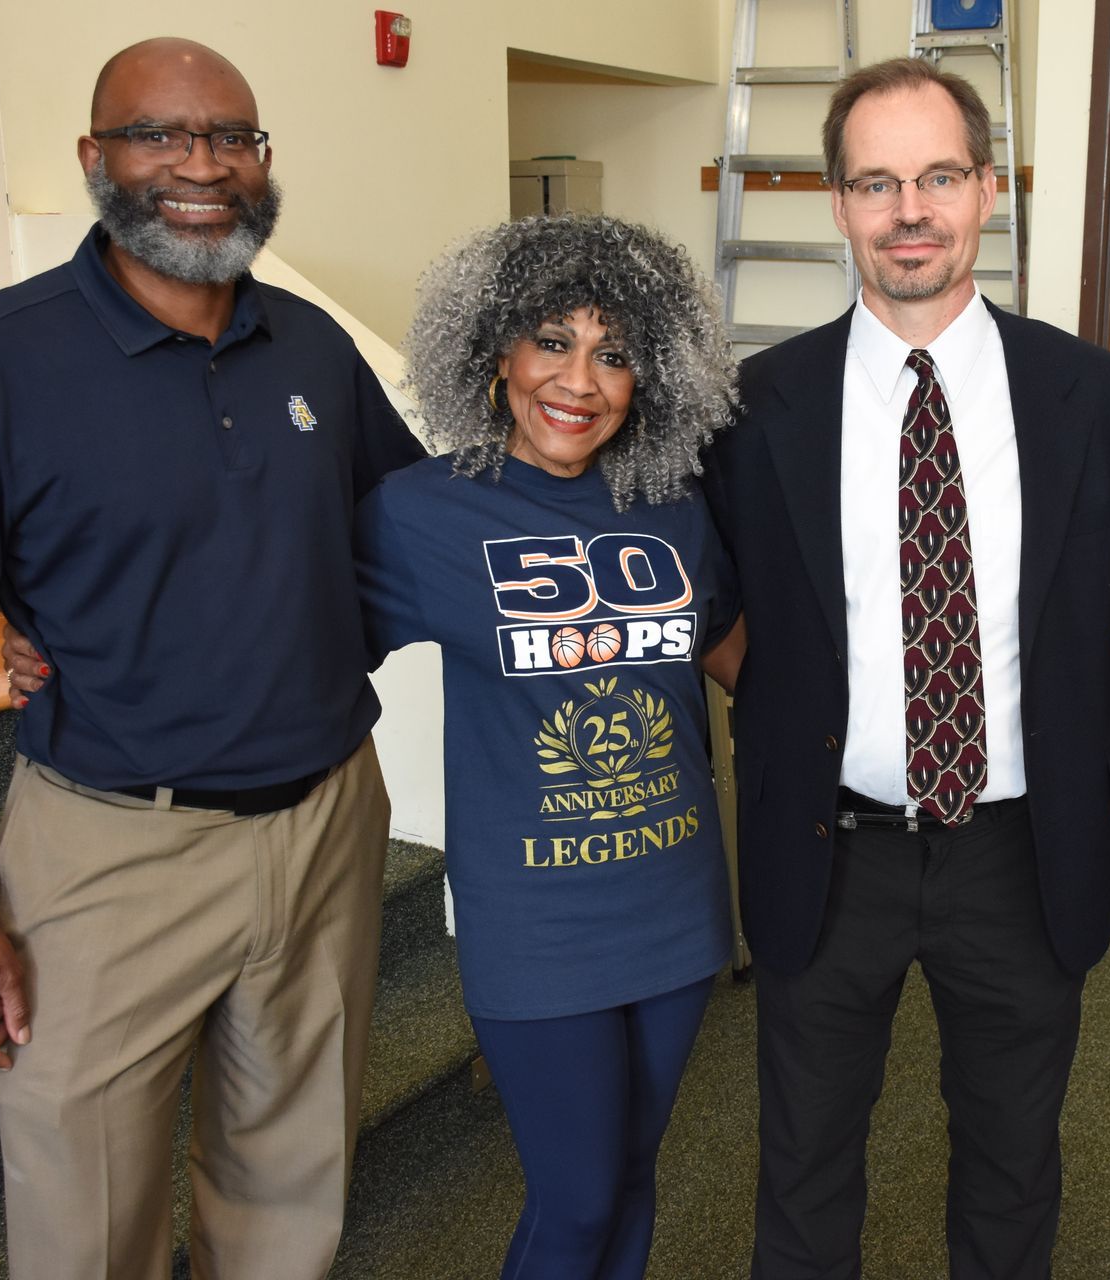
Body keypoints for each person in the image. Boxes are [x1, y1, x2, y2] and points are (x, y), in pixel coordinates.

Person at [0, 38, 426, 1276]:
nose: (202, 166)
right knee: (85, 1223)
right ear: (95, 158)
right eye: (160, 136)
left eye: (232, 137)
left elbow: (412, 537)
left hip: (328, 824)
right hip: (111, 853)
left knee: (292, 1199)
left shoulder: (315, 349)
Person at [702, 57, 1110, 1279]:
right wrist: (789, 708)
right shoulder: (753, 407)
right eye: (876, 181)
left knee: (1014, 1162)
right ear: (839, 203)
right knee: (805, 1164)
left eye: (936, 176)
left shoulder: (1101, 399)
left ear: (987, 190)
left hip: (1023, 853)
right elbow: (707, 600)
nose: (908, 209)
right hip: (830, 848)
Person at [356, 214, 743, 1279]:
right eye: (552, 340)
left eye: (615, 352)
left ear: (649, 376)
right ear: (496, 353)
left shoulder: (673, 507)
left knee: (629, 1178)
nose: (581, 379)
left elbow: (733, 653)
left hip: (675, 899)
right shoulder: (420, 513)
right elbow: (292, 642)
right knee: (573, 1200)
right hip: (535, 919)